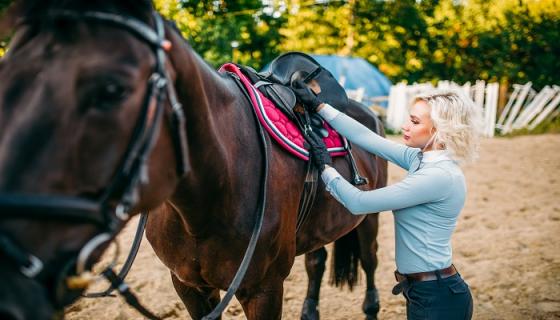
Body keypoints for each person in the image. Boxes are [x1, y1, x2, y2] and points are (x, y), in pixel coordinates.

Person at [292, 80, 480, 320]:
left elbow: (358, 203)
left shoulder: (437, 176)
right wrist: (319, 107)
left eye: (414, 121)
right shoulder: (420, 159)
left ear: (439, 130)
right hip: (424, 291)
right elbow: (367, 138)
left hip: (437, 297)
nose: (404, 126)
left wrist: (326, 167)